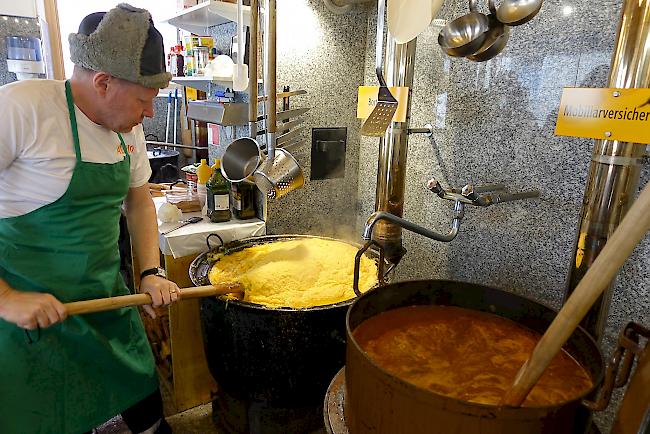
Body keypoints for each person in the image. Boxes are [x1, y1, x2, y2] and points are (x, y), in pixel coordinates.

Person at [0, 4, 181, 433]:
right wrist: (6, 298)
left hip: (105, 303)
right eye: (144, 99)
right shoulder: (22, 109)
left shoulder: (127, 128)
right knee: (56, 419)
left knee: (147, 408)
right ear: (103, 82)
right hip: (30, 319)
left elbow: (138, 201)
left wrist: (151, 271)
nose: (150, 114)